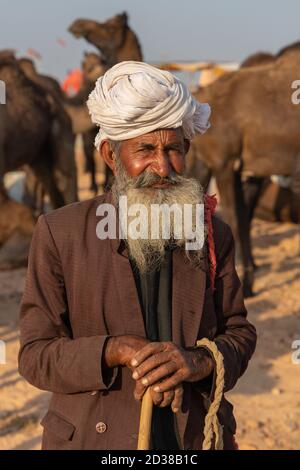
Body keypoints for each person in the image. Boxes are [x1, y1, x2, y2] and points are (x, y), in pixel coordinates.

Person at [18, 61, 256, 450]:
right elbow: (35, 355)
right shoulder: (60, 233)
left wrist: (199, 362)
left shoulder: (212, 232)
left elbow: (240, 333)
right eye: (145, 149)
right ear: (111, 155)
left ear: (187, 149)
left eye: (173, 149)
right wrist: (114, 350)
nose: (161, 167)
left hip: (190, 438)